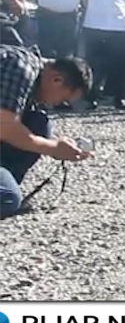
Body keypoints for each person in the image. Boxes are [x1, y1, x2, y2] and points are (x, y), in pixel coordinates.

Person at [0, 48, 94, 217]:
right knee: (7, 199)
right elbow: (5, 127)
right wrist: (53, 148)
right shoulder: (19, 68)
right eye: (63, 100)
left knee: (38, 123)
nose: (56, 104)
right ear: (57, 80)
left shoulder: (30, 74)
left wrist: (58, 146)